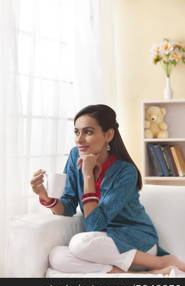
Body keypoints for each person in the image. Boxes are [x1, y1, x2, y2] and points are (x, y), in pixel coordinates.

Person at [30, 104, 185, 275]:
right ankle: (142, 275)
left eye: (88, 132)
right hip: (100, 244)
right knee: (57, 256)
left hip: (137, 244)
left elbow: (94, 225)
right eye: (76, 132)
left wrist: (88, 175)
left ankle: (160, 262)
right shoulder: (75, 156)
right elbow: (68, 205)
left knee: (80, 243)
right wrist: (45, 197)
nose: (79, 139)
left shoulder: (126, 172)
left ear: (108, 135)